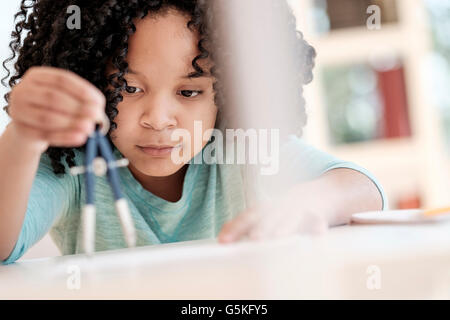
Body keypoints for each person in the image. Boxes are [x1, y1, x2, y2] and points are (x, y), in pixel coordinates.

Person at [0, 0, 387, 265]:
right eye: (129, 88)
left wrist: (309, 201)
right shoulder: (74, 167)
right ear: (90, 78)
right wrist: (24, 136)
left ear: (228, 94)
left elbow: (363, 188)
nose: (158, 118)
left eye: (189, 92)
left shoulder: (242, 152)